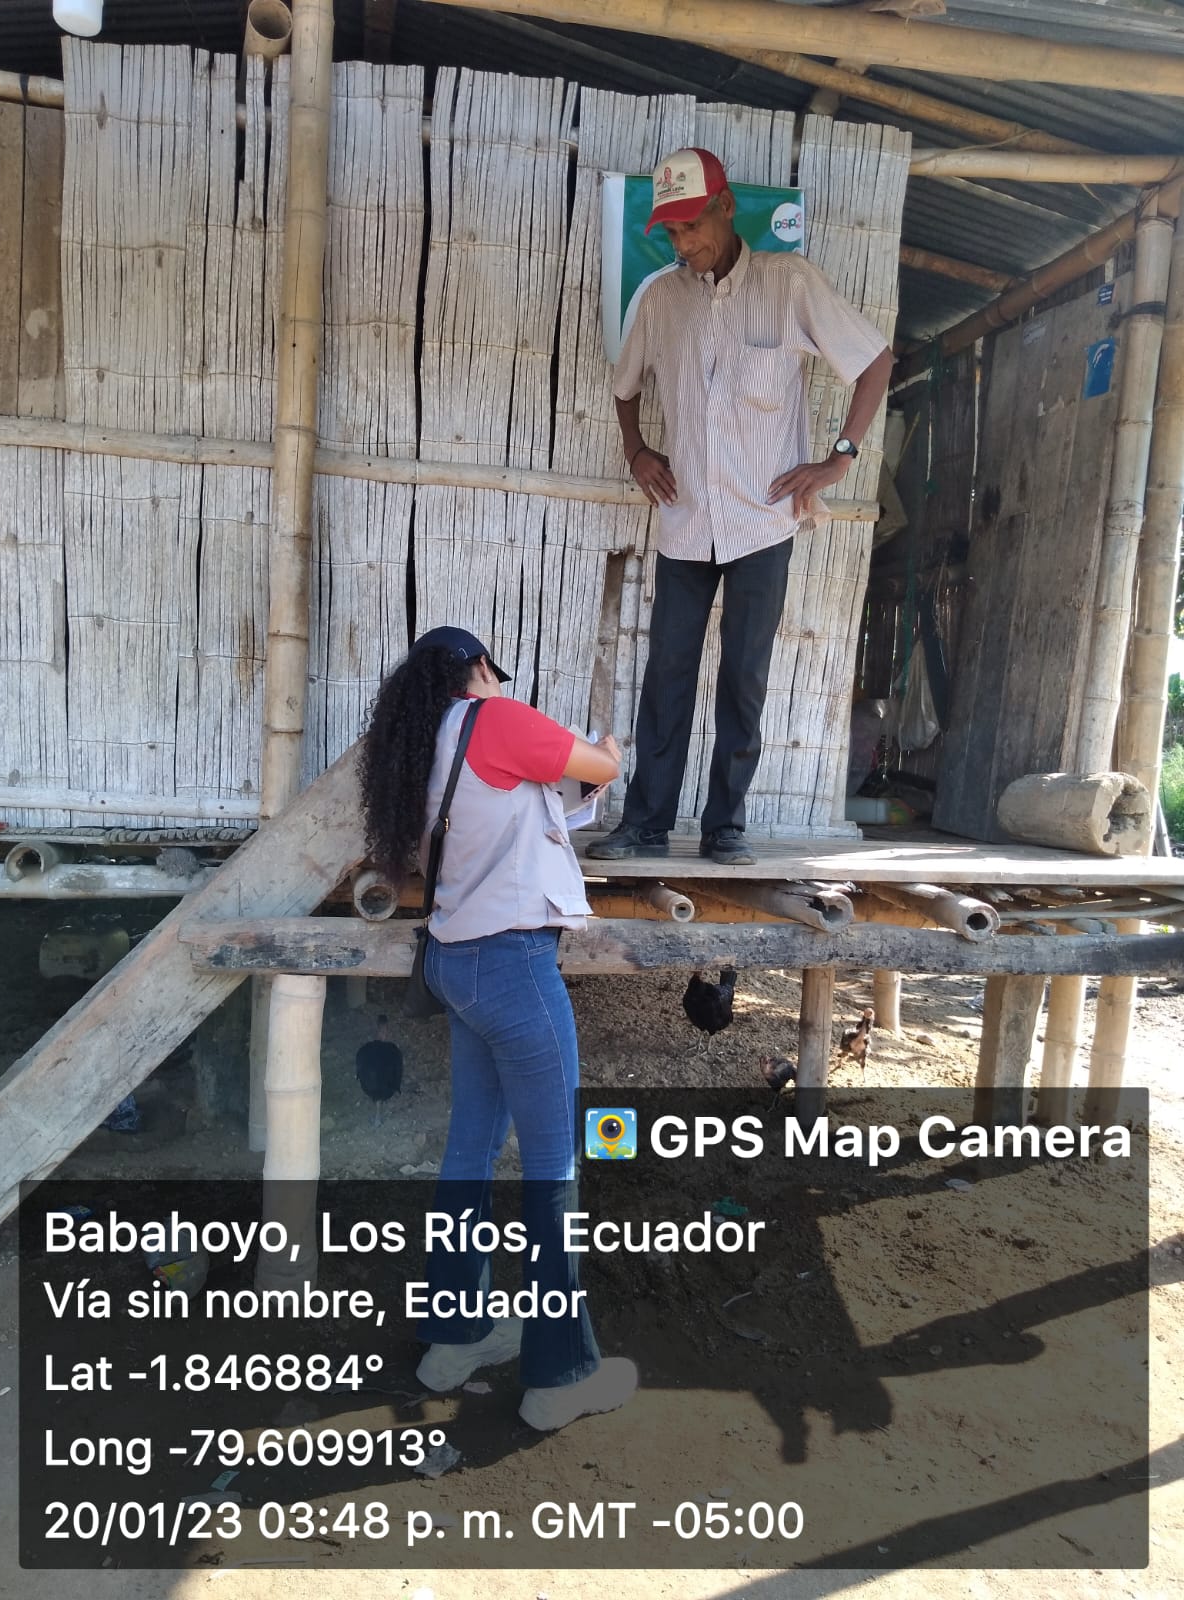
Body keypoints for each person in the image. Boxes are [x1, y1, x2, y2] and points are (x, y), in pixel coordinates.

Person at [358, 624, 636, 1431]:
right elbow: (598, 770)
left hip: (457, 959)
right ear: (480, 669)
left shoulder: (419, 748)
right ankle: (560, 1376)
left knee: (470, 1152)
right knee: (554, 1169)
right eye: (493, 672)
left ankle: (455, 1340)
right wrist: (608, 750)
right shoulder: (500, 719)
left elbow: (529, 807)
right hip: (512, 964)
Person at [587, 146, 894, 867]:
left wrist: (838, 458)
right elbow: (626, 385)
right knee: (667, 671)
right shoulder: (660, 298)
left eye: (692, 225)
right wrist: (637, 451)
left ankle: (726, 825)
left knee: (744, 676)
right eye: (671, 231)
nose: (683, 242)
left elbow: (875, 362)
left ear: (726, 208)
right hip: (687, 518)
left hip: (763, 518)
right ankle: (646, 823)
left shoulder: (790, 284)